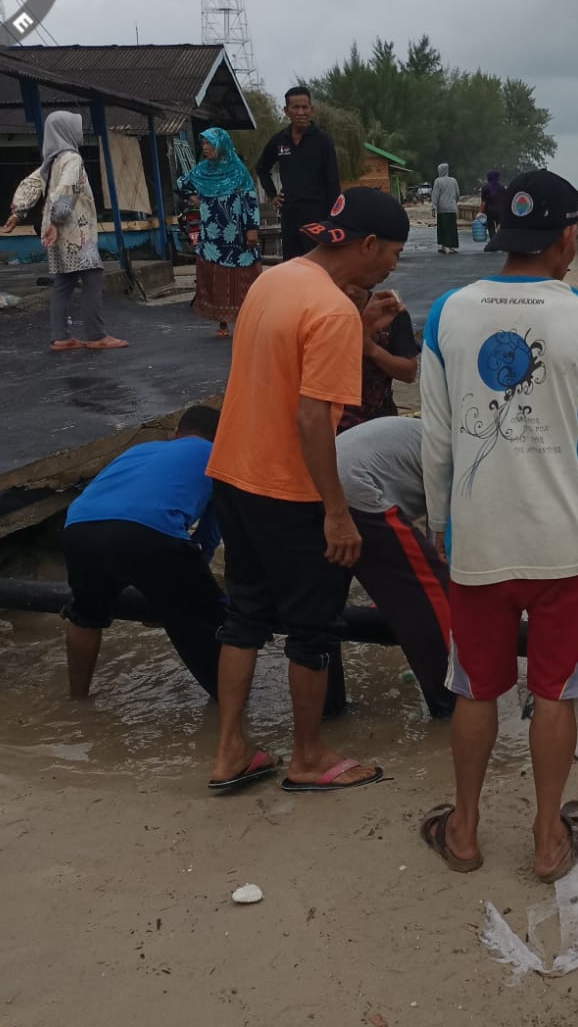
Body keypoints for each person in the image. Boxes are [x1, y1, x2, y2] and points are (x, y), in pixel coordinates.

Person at [419, 169, 578, 882]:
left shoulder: (447, 314)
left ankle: (465, 829)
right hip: (568, 545)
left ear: (500, 233)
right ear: (567, 236)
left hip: (478, 541)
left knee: (475, 686)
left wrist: (443, 522)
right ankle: (547, 839)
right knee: (555, 692)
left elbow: (438, 440)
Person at [205, 187, 408, 795]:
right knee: (312, 628)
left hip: (233, 472)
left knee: (243, 616)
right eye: (393, 253)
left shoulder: (276, 279)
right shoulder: (333, 314)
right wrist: (337, 513)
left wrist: (357, 323)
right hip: (289, 491)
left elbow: (281, 361)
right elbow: (313, 420)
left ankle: (230, 750)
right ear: (367, 245)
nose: (393, 266)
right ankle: (308, 756)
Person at [61, 406, 227, 701]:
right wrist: (171, 597)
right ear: (223, 438)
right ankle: (230, 705)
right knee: (210, 618)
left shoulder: (141, 450)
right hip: (147, 531)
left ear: (177, 433)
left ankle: (77, 701)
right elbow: (209, 535)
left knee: (85, 615)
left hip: (79, 527)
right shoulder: (220, 458)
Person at [335, 416, 456, 718]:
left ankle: (329, 705)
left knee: (322, 608)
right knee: (432, 592)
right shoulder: (463, 455)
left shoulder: (432, 436)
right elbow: (441, 543)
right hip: (358, 486)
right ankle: (452, 702)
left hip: (322, 482)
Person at [4, 110, 127, 352]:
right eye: (75, 126)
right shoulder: (72, 159)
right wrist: (56, 220)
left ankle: (60, 337)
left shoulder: (51, 161)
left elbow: (30, 184)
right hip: (75, 234)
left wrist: (19, 211)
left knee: (63, 283)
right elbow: (66, 190)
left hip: (57, 234)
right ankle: (96, 335)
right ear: (65, 130)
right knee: (93, 279)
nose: (79, 131)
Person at [177, 128, 262, 339]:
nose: (205, 148)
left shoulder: (238, 170)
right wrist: (193, 197)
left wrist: (252, 229)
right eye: (204, 144)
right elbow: (182, 183)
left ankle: (248, 320)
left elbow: (250, 201)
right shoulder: (202, 170)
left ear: (221, 144)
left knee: (244, 277)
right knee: (217, 278)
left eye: (209, 143)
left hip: (238, 234)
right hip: (213, 236)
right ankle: (222, 323)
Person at [255, 86, 340, 262]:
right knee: (293, 264)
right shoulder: (280, 141)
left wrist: (335, 220)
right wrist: (272, 195)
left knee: (318, 264)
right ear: (286, 111)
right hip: (290, 215)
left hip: (318, 215)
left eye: (305, 107)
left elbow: (333, 181)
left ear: (312, 110)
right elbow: (262, 168)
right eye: (295, 108)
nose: (301, 112)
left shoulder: (323, 140)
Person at [337, 292, 418, 432]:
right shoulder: (324, 311)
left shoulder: (389, 311)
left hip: (377, 420)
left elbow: (409, 372)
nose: (392, 268)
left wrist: (371, 349)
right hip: (331, 421)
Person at [431, 162, 460, 254]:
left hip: (442, 209)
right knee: (451, 228)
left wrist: (434, 207)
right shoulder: (453, 180)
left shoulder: (438, 181)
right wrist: (454, 202)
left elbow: (435, 195)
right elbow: (457, 193)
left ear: (439, 170)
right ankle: (451, 248)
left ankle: (443, 247)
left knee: (442, 228)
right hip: (452, 207)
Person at [479, 169, 505, 238]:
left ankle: (493, 242)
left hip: (489, 212)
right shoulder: (502, 188)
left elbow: (483, 202)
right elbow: (505, 201)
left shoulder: (485, 188)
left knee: (491, 228)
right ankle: (499, 241)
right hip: (500, 211)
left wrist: (480, 212)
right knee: (500, 227)